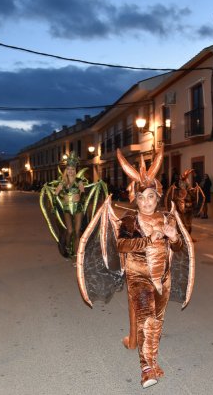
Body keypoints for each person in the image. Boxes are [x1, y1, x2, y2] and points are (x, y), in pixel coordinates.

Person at [76, 147, 194, 389]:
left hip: (163, 278)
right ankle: (146, 368)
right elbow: (121, 245)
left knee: (157, 322)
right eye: (141, 198)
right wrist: (149, 240)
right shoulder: (130, 221)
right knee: (146, 321)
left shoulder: (168, 219)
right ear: (136, 199)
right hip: (138, 277)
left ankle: (149, 357)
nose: (146, 202)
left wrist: (174, 238)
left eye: (151, 197)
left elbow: (180, 248)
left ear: (158, 197)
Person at [39, 153, 108, 260]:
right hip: (66, 209)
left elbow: (83, 193)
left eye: (72, 169)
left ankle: (76, 255)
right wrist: (56, 203)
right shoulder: (62, 183)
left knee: (77, 232)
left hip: (78, 209)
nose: (70, 171)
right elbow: (55, 194)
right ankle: (67, 250)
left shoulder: (78, 181)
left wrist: (82, 197)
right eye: (68, 169)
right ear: (66, 170)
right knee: (69, 231)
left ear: (74, 170)